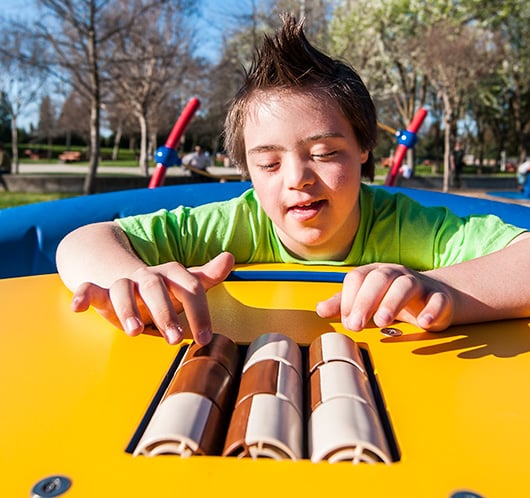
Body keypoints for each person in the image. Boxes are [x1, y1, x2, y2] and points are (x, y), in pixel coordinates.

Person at [56, 15, 530, 347]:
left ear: (364, 149)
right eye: (268, 164)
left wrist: (442, 290)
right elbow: (84, 240)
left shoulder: (410, 228)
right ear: (246, 169)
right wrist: (131, 280)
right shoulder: (230, 226)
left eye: (323, 154)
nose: (298, 179)